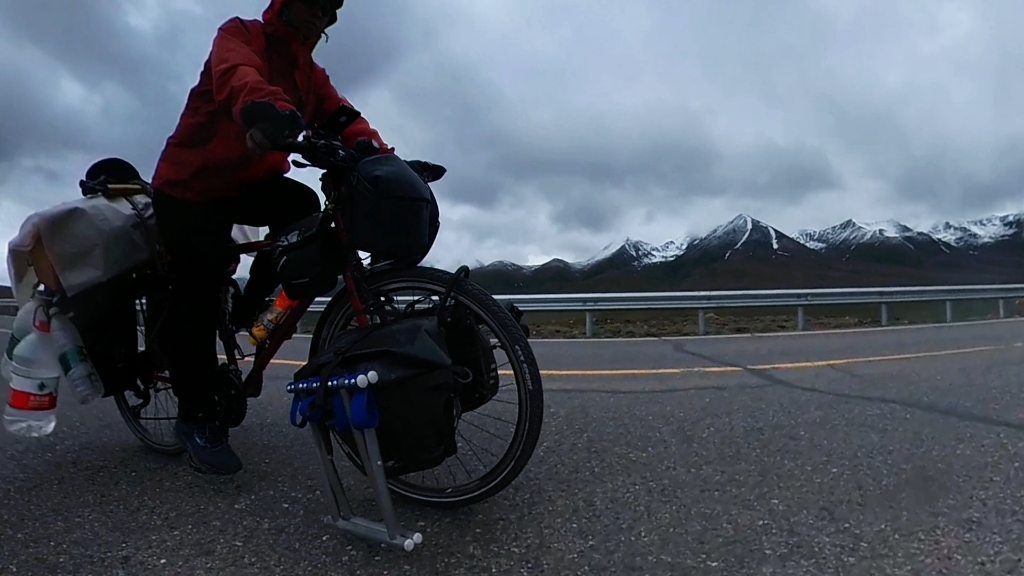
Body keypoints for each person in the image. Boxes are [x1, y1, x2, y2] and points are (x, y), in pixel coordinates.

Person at [149, 0, 394, 475]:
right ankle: (196, 416)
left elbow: (342, 117)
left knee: (303, 211)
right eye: (316, 4)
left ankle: (250, 309)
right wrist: (267, 113)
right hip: (190, 186)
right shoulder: (241, 36)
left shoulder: (309, 71)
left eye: (330, 9)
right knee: (196, 296)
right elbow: (237, 76)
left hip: (246, 182)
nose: (323, 16)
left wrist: (379, 156)